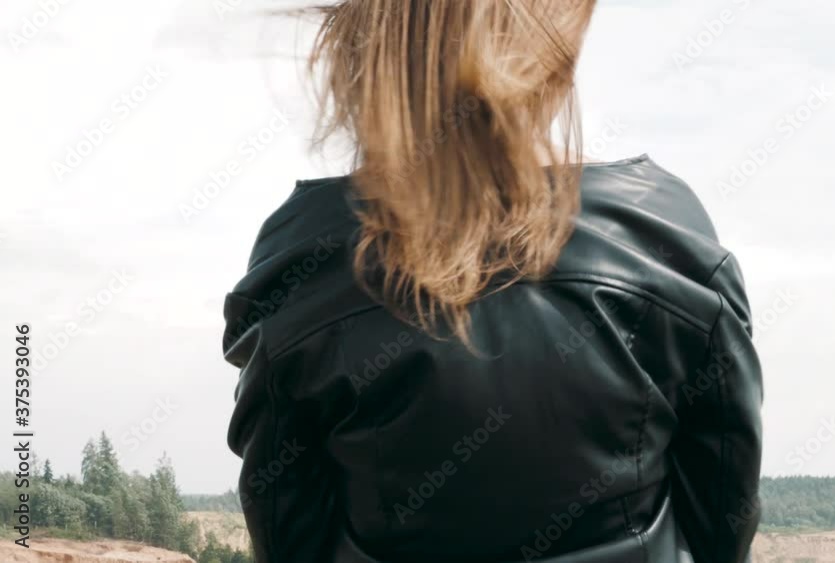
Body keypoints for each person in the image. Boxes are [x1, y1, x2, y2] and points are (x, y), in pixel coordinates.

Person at [223, 1, 763, 562]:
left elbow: (288, 532)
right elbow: (723, 519)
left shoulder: (299, 255)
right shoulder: (666, 229)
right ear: (546, 59)